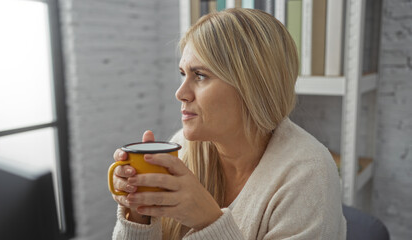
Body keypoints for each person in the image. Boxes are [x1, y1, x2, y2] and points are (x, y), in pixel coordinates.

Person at [111, 8, 346, 240]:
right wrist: (139, 213)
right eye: (183, 74)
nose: (180, 93)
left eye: (200, 75)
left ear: (252, 86)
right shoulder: (181, 148)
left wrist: (207, 221)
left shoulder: (309, 175)